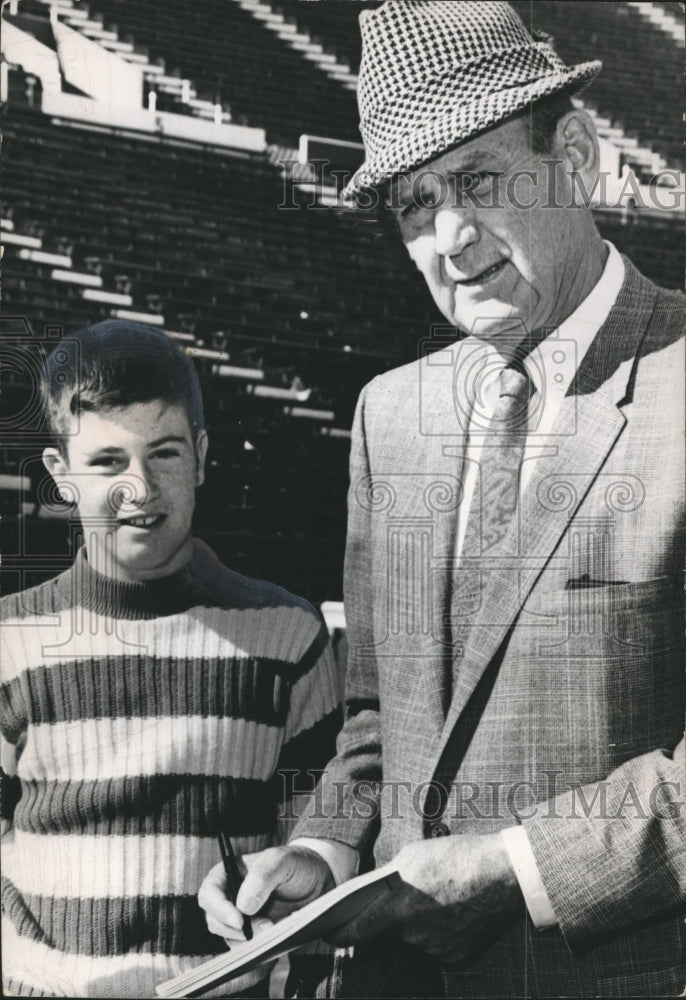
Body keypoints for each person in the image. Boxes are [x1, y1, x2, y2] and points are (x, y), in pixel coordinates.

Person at [198, 2, 685, 997]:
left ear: (577, 159)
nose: (448, 238)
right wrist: (322, 857)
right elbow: (380, 723)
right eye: (415, 205)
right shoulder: (392, 414)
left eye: (476, 180)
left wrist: (517, 862)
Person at [0, 320, 342, 998]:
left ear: (203, 455)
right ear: (60, 476)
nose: (140, 489)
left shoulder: (288, 637)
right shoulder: (10, 640)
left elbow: (314, 865)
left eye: (163, 454)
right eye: (106, 462)